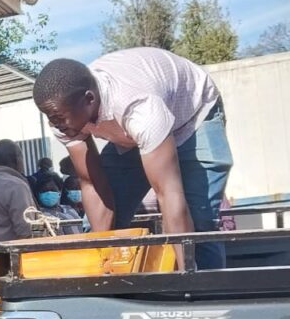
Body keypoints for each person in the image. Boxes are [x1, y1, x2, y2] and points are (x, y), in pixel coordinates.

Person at [33, 48, 232, 269]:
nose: (55, 125)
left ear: (89, 99)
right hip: (131, 133)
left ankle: (204, 286)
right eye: (49, 117)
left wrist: (187, 272)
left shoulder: (139, 108)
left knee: (199, 221)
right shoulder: (64, 115)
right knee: (103, 223)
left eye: (58, 117)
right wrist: (102, 260)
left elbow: (168, 193)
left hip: (193, 117)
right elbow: (92, 184)